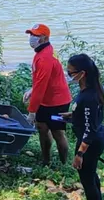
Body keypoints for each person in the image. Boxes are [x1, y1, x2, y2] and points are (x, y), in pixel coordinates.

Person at [62, 53, 104, 200]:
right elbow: (88, 117)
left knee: (87, 179)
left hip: (90, 142)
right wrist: (73, 114)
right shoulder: (88, 91)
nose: (69, 76)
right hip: (92, 138)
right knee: (90, 174)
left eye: (71, 73)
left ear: (83, 73)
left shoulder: (89, 96)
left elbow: (89, 129)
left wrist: (79, 154)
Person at [24, 24, 72, 166]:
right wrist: (32, 89)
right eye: (31, 34)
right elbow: (43, 80)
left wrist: (31, 112)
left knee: (58, 132)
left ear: (44, 38)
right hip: (45, 99)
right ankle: (45, 161)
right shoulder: (44, 51)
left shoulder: (45, 57)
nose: (31, 38)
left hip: (58, 101)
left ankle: (64, 164)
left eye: (35, 35)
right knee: (42, 128)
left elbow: (41, 86)